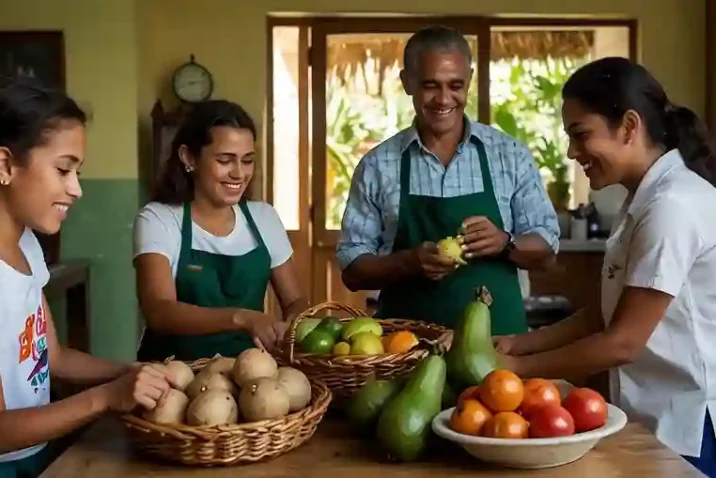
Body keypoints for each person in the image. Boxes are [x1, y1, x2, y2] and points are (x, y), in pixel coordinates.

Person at [496, 57, 716, 477]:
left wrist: (515, 371)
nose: (571, 152)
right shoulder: (644, 198)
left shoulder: (673, 205)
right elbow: (608, 310)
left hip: (690, 422)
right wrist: (520, 343)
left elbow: (623, 342)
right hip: (655, 413)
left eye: (580, 135)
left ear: (629, 127)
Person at [336, 25, 560, 335]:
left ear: (469, 79)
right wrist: (409, 262)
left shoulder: (509, 155)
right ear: (407, 82)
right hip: (405, 351)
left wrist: (504, 243)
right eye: (431, 85)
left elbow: (547, 250)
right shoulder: (377, 166)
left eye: (456, 85)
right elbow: (352, 269)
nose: (444, 98)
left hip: (500, 348)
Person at [0, 78, 173, 477]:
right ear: (6, 165)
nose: (76, 189)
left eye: (78, 171)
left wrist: (127, 372)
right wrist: (106, 398)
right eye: (63, 169)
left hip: (36, 453)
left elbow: (53, 358)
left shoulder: (26, 245)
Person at [133, 99, 308, 363]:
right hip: (173, 374)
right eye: (225, 160)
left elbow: (296, 301)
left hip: (248, 374)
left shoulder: (264, 218)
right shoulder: (159, 218)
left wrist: (292, 324)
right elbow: (159, 310)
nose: (239, 173)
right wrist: (241, 318)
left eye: (247, 161)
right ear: (188, 158)